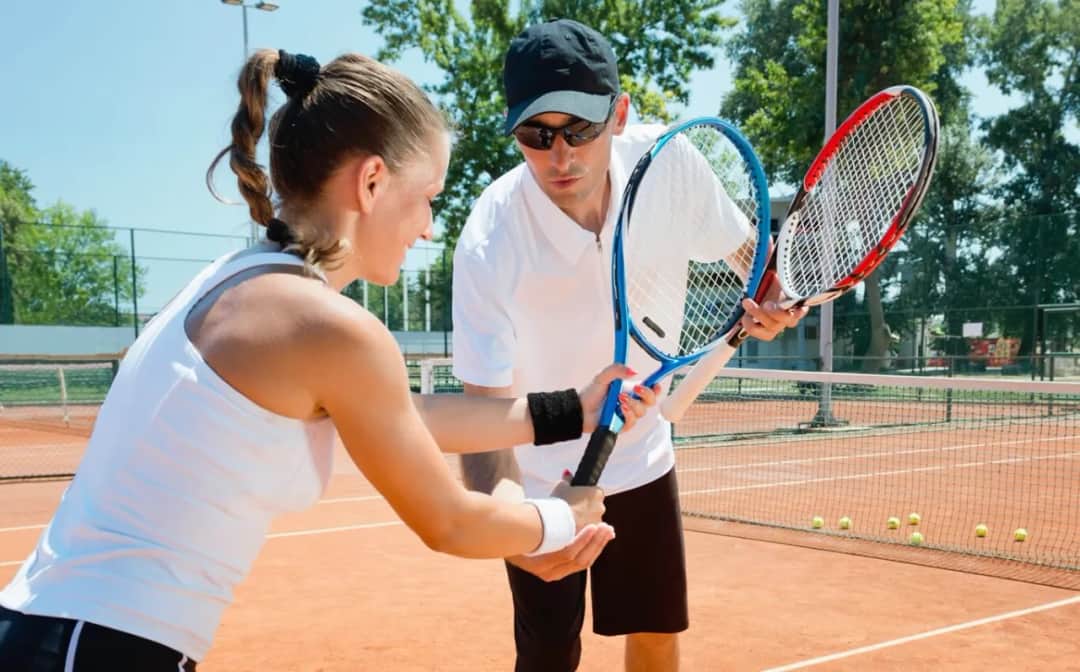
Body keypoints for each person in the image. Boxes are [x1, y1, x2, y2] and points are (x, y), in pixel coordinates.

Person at [0, 48, 658, 671]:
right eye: (427, 196)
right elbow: (450, 521)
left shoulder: (241, 281)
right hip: (100, 649)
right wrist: (558, 520)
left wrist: (574, 408)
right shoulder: (329, 328)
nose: (429, 226)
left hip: (49, 632)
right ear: (373, 181)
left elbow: (401, 416)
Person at [452, 19, 809, 672]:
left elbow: (757, 265)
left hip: (642, 458)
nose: (560, 157)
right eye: (537, 135)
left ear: (619, 114)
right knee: (547, 658)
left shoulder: (670, 168)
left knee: (653, 630)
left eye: (580, 129)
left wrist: (777, 301)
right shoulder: (489, 240)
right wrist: (515, 533)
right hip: (536, 481)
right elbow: (479, 423)